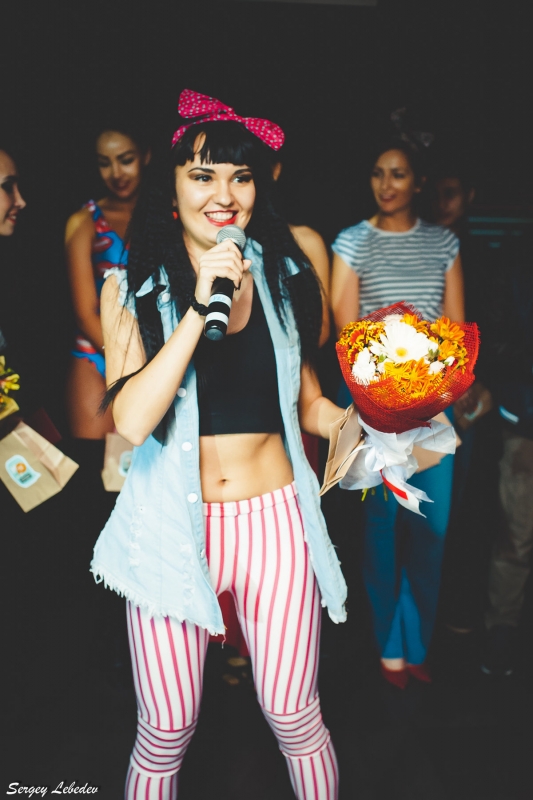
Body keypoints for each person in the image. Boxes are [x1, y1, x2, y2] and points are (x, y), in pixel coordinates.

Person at [90, 91, 346, 799]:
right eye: (202, 175)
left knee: (294, 714)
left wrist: (377, 420)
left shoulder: (287, 273)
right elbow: (131, 420)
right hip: (172, 526)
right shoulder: (128, 287)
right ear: (172, 186)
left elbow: (308, 402)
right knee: (166, 729)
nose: (224, 195)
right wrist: (201, 305)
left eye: (241, 176)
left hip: (276, 520)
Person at [330, 138, 465, 687]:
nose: (386, 184)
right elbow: (346, 334)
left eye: (399, 174)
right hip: (376, 411)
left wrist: (432, 385)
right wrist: (383, 395)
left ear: (418, 182)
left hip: (433, 410)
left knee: (432, 531)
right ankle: (390, 645)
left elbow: (455, 330)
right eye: (378, 173)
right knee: (382, 532)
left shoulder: (443, 242)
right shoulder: (353, 241)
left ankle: (417, 642)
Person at [65, 124, 151, 439]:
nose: (116, 173)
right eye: (105, 163)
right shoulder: (84, 221)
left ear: (146, 156)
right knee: (94, 463)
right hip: (96, 351)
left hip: (161, 352)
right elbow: (85, 312)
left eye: (126, 159)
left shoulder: (172, 216)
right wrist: (130, 362)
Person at [481, 230, 533, 676]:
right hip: (526, 422)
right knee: (516, 536)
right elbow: (489, 341)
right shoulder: (516, 259)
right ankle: (501, 632)